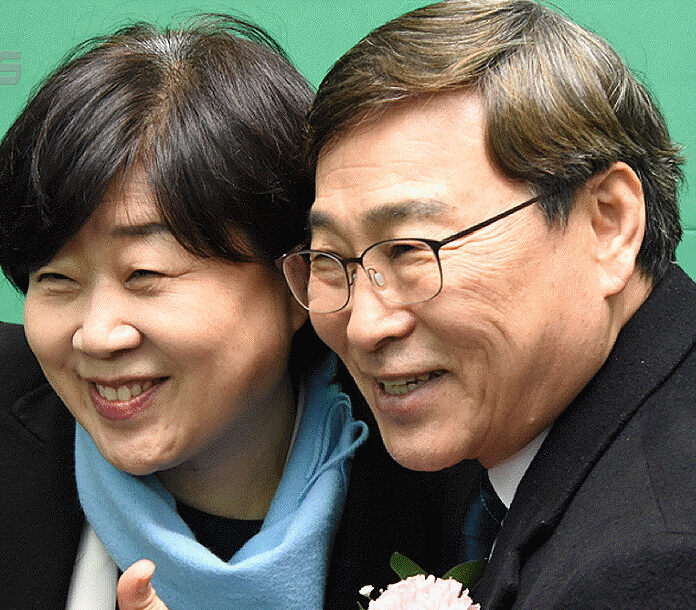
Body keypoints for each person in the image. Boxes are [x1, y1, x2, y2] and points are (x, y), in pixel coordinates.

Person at [0, 15, 464, 610]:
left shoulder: (431, 459)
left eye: (146, 275)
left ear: (297, 279)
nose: (98, 336)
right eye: (56, 278)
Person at [277, 1, 696, 608]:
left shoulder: (651, 564)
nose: (365, 326)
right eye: (328, 258)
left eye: (411, 250)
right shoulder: (500, 433)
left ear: (607, 223)